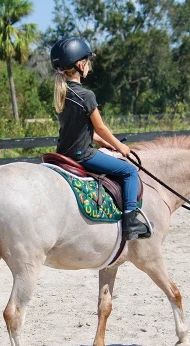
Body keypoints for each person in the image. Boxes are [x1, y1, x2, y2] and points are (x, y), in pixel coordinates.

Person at [50, 37, 150, 240]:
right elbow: (101, 127)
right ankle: (131, 221)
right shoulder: (86, 95)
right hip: (83, 156)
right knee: (129, 171)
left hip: (63, 154)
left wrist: (101, 142)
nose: (89, 66)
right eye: (87, 62)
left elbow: (79, 129)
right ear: (80, 65)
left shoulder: (61, 93)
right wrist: (120, 146)